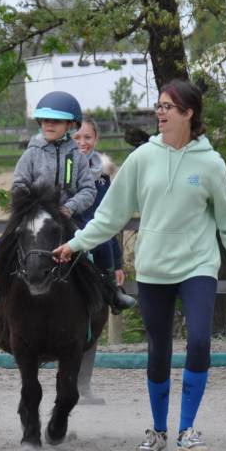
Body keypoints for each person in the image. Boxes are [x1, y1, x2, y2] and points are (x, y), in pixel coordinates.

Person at [52, 79, 226, 451]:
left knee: (199, 340)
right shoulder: (142, 158)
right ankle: (159, 431)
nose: (159, 112)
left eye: (167, 106)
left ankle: (188, 431)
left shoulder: (210, 163)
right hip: (153, 268)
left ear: (188, 113)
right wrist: (76, 244)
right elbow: (109, 215)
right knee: (158, 348)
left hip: (198, 264)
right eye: (159, 105)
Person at [0, 91, 96, 313]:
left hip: (65, 215)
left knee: (91, 250)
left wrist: (70, 207)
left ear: (70, 124)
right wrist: (30, 203)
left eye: (56, 121)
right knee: (3, 243)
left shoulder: (78, 157)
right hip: (33, 215)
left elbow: (88, 189)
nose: (49, 125)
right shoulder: (31, 154)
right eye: (45, 120)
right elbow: (18, 183)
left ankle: (107, 292)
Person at [73, 117, 136, 404]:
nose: (83, 143)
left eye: (88, 137)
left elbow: (110, 219)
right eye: (78, 138)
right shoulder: (65, 166)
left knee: (96, 312)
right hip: (67, 233)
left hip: (96, 234)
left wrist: (118, 264)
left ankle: (113, 293)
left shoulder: (104, 174)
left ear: (96, 139)